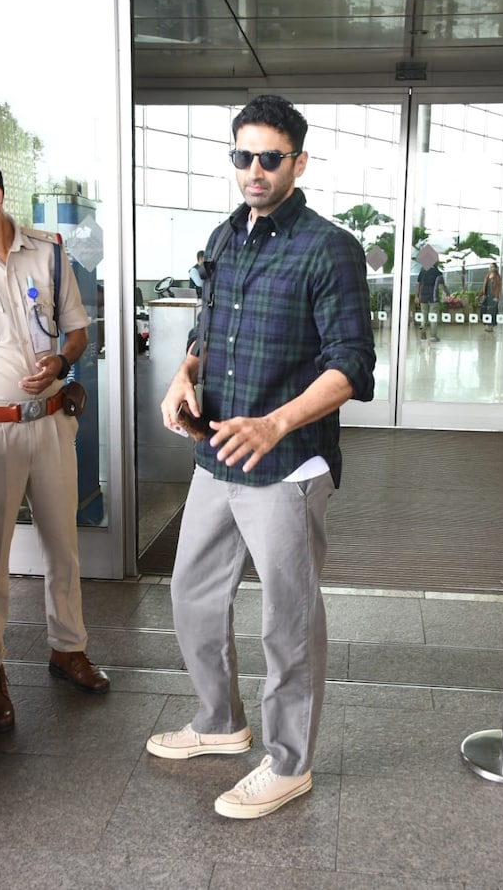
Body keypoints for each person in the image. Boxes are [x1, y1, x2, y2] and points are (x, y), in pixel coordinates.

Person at [146, 95, 375, 818]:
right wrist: (185, 374)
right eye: (242, 156)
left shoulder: (327, 247)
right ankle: (220, 723)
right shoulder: (225, 236)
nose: (253, 170)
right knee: (191, 594)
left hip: (288, 466)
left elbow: (352, 366)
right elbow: (208, 331)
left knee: (288, 620)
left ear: (298, 163)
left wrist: (277, 423)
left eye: (269, 158)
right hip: (217, 455)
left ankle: (289, 762)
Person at [0, 142, 110, 734]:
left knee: (62, 545)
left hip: (49, 423)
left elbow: (77, 331)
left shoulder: (49, 255)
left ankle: (67, 648)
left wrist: (60, 365)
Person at [415, 263, 445, 341]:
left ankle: (423, 331)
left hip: (423, 297)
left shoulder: (422, 272)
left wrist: (416, 296)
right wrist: (447, 294)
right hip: (433, 297)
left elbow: (418, 284)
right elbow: (442, 285)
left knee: (424, 315)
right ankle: (433, 336)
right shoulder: (437, 273)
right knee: (433, 316)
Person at [479, 262, 501, 332]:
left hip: (493, 296)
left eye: (492, 267)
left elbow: (498, 288)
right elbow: (483, 287)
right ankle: (486, 325)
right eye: (490, 267)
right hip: (486, 296)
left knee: (492, 311)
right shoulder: (487, 275)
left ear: (495, 268)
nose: (490, 268)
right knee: (484, 310)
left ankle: (491, 326)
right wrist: (479, 295)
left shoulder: (497, 277)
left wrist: (496, 297)